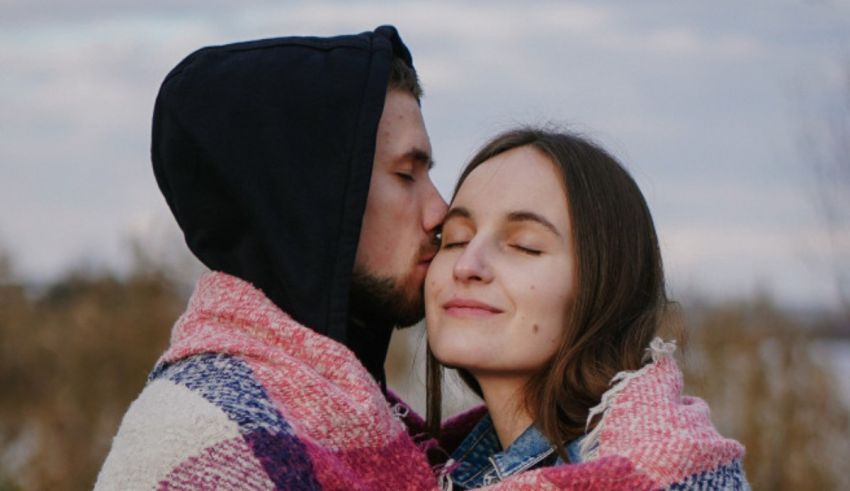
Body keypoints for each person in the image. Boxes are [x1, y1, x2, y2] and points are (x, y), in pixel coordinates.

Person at [94, 26, 451, 489]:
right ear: (312, 201)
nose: (441, 210)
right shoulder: (209, 446)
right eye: (407, 174)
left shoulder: (375, 428)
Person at [424, 128, 750, 489]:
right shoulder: (437, 467)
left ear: (605, 286)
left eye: (524, 246)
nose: (466, 264)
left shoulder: (667, 478)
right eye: (454, 239)